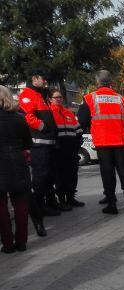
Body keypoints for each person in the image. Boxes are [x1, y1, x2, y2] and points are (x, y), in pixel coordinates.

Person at [78, 70, 124, 214]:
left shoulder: (89, 98)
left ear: (97, 82)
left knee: (107, 173)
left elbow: (82, 120)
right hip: (120, 140)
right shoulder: (122, 99)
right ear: (111, 82)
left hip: (103, 141)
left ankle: (112, 204)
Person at [18, 70, 58, 237]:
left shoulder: (39, 94)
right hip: (38, 144)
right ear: (34, 79)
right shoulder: (28, 95)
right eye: (44, 79)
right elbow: (28, 117)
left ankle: (45, 206)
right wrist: (43, 127)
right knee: (40, 178)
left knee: (47, 177)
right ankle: (38, 209)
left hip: (47, 143)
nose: (46, 82)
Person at [0, 85, 32, 252]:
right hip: (18, 160)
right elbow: (28, 143)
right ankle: (21, 241)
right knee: (20, 203)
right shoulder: (20, 118)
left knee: (1, 207)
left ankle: (7, 244)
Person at [49, 89, 84, 209]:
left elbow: (78, 130)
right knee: (60, 176)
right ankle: (62, 200)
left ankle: (71, 198)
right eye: (56, 97)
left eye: (60, 97)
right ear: (50, 99)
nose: (59, 99)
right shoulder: (49, 113)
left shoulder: (68, 113)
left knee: (72, 174)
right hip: (58, 151)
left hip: (72, 150)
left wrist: (78, 144)